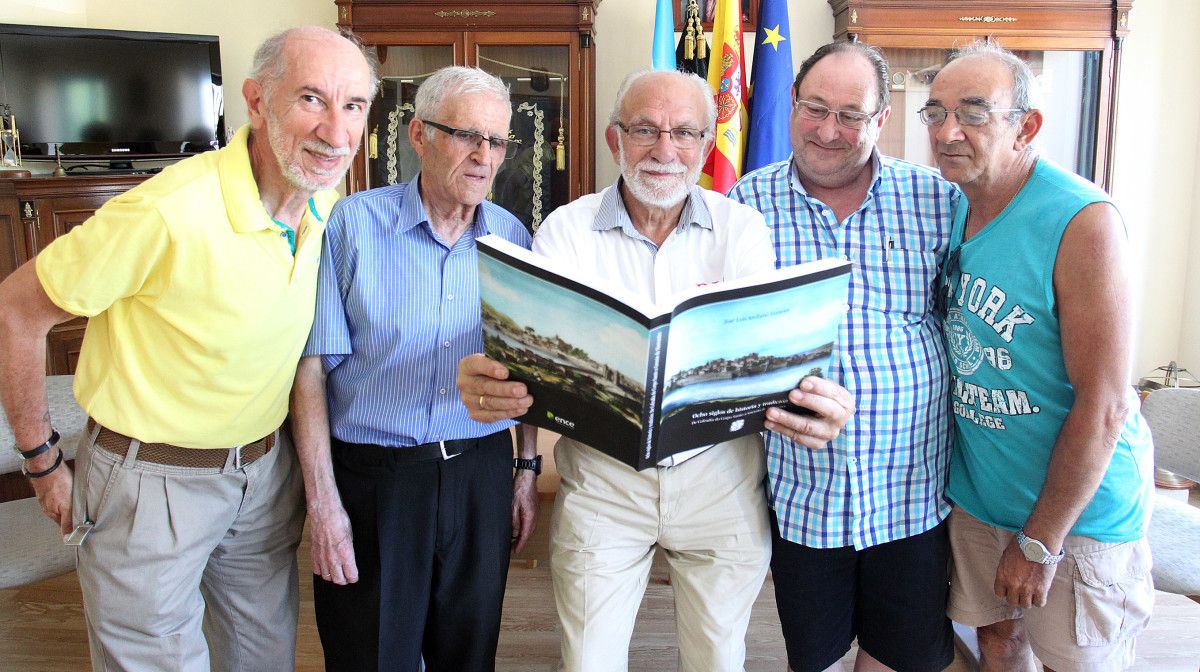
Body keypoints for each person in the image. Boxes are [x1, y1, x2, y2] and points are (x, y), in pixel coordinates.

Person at [0, 26, 375, 672]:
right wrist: (40, 460)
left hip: (261, 475)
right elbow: (16, 308)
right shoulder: (166, 212)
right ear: (256, 102)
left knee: (261, 660)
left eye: (354, 106)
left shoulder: (322, 202)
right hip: (150, 483)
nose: (336, 133)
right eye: (311, 99)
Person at [458, 68, 855, 672]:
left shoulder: (742, 228)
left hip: (720, 481)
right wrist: (503, 400)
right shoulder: (566, 229)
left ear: (705, 144)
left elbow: (766, 352)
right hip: (604, 484)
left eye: (684, 133)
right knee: (589, 660)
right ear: (616, 140)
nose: (665, 150)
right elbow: (529, 366)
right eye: (645, 130)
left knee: (718, 660)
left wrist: (809, 400)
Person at [289, 66, 539, 672]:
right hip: (377, 481)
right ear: (418, 134)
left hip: (479, 474)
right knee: (370, 655)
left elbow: (530, 372)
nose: (485, 157)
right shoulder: (351, 226)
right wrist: (322, 504)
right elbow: (311, 372)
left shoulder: (512, 237)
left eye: (498, 142)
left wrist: (526, 470)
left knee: (469, 654)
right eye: (467, 136)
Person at [728, 42, 959, 672]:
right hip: (805, 497)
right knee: (817, 657)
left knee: (901, 658)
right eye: (815, 109)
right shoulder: (746, 205)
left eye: (851, 115)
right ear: (792, 105)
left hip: (910, 492)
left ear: (883, 119)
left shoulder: (936, 201)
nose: (830, 131)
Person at [924, 41, 1154, 672]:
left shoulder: (1083, 222)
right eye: (935, 112)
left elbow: (1106, 404)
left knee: (1077, 662)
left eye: (973, 113)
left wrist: (1041, 540)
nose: (948, 132)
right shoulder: (950, 206)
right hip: (983, 500)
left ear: (1025, 127)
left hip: (1074, 519)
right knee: (997, 643)